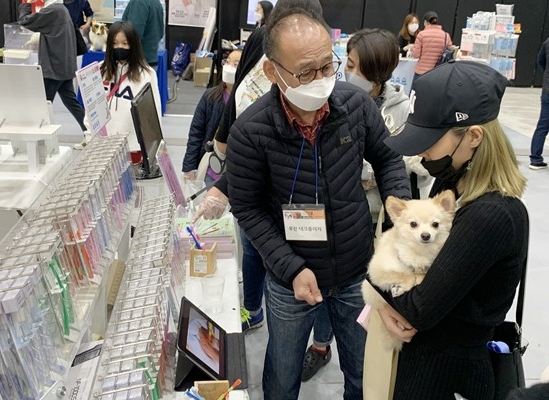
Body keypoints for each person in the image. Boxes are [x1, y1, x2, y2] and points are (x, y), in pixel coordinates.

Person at [225, 8, 411, 400]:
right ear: (273, 72)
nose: (321, 79)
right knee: (282, 373)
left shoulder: (356, 107)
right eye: (306, 72)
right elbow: (247, 208)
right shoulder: (251, 131)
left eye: (329, 65)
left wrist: (399, 221)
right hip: (291, 278)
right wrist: (290, 268)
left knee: (363, 372)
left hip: (356, 270)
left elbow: (389, 158)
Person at [378, 60, 528, 399]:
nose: (423, 151)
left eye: (430, 140)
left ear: (473, 136)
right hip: (426, 357)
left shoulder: (489, 216)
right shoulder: (452, 182)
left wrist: (379, 283)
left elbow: (418, 307)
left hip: (447, 374)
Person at [300, 27, 433, 383]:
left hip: (377, 221)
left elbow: (408, 160)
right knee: (327, 288)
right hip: (336, 217)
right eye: (347, 63)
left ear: (377, 73)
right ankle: (321, 345)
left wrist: (383, 172)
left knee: (361, 305)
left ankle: (359, 368)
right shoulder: (333, 100)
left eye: (356, 66)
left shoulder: (401, 107)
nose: (347, 72)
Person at [194, 0, 326, 334]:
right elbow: (239, 113)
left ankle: (315, 334)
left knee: (298, 262)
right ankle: (253, 308)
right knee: (254, 247)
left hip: (299, 194)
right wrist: (225, 185)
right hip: (255, 181)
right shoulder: (262, 47)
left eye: (325, 67)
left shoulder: (324, 87)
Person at [19, 0, 88, 149]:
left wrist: (26, 4)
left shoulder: (52, 11)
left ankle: (36, 143)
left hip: (53, 69)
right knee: (71, 102)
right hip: (64, 66)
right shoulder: (61, 9)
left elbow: (24, 21)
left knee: (42, 105)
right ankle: (90, 133)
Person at [98, 22, 161, 152]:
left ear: (133, 45)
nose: (119, 47)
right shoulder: (100, 70)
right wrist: (89, 136)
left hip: (133, 148)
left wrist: (153, 148)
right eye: (114, 43)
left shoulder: (147, 75)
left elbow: (154, 115)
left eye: (125, 43)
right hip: (103, 147)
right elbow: (91, 108)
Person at [181, 50, 242, 184]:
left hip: (237, 174)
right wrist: (189, 166)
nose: (229, 66)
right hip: (212, 171)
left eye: (236, 64)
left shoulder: (247, 102)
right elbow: (196, 133)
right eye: (227, 61)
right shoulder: (210, 97)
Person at [122, 0, 164, 68]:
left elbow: (134, 34)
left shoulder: (138, 2)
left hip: (138, 62)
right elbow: (160, 32)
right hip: (151, 59)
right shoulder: (156, 2)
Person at [412, 11, 452, 79]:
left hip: (421, 72)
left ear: (425, 22)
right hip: (437, 72)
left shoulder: (421, 34)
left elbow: (416, 55)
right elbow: (450, 51)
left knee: (417, 89)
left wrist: (412, 48)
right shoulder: (446, 35)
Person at [529, 36, 549, 170]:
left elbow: (540, 60)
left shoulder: (547, 41)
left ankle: (535, 159)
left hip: (547, 90)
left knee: (542, 125)